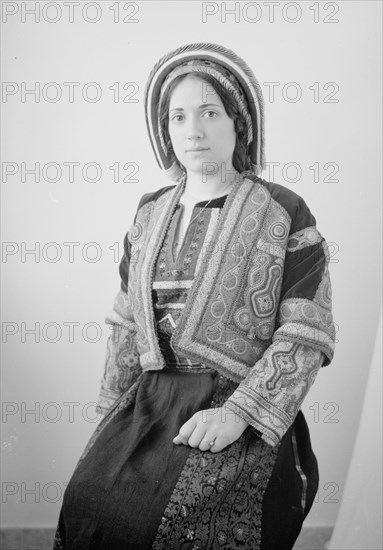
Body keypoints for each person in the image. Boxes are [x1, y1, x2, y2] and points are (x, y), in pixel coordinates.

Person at [53, 42, 336, 550]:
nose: (193, 130)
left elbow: (306, 332)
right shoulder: (148, 213)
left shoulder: (284, 211)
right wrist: (107, 421)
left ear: (238, 123)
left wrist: (238, 414)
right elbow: (126, 324)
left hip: (239, 407)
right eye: (178, 116)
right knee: (86, 501)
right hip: (148, 405)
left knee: (178, 524)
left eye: (209, 113)